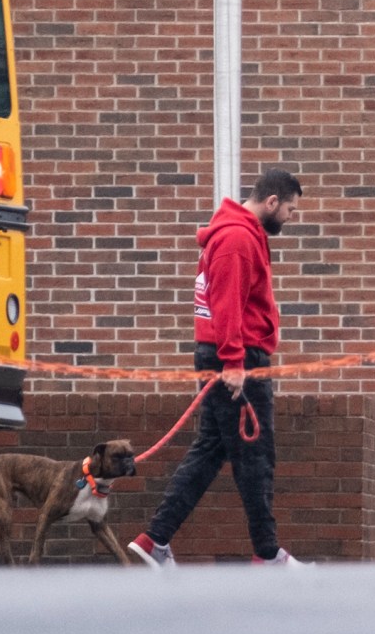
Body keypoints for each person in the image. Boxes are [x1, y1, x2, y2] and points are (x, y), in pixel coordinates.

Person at [128, 167, 305, 568]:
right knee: (256, 456)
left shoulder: (237, 235)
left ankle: (154, 539)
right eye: (290, 210)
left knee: (211, 450)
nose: (291, 219)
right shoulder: (238, 239)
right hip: (237, 360)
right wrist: (234, 363)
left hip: (228, 356)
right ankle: (267, 554)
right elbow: (226, 305)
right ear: (272, 202)